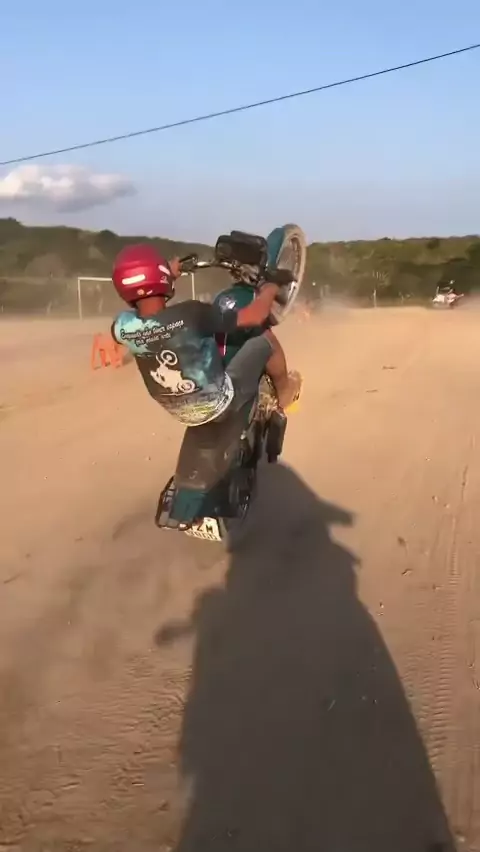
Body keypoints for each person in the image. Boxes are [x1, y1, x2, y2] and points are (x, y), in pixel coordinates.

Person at [111, 243, 301, 427]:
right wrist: (271, 287)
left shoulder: (122, 326)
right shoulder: (192, 314)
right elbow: (255, 315)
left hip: (180, 413)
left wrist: (166, 275)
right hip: (221, 404)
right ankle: (285, 392)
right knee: (264, 338)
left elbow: (151, 314)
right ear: (161, 275)